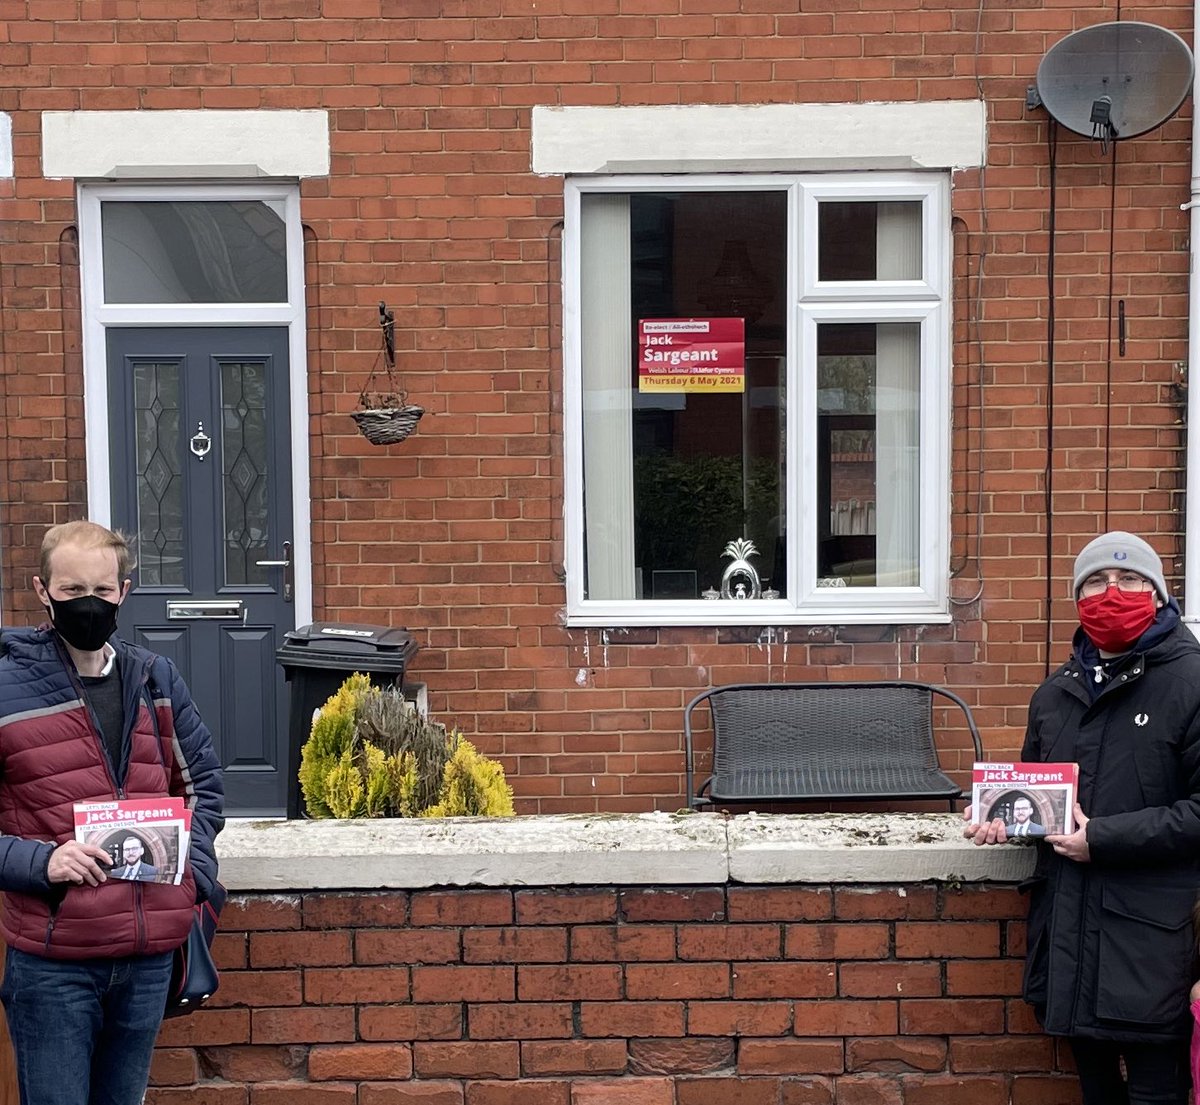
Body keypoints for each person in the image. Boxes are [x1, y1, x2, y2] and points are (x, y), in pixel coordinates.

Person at [966, 530, 1200, 1105]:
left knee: (1157, 1094)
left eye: (1130, 580)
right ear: (1077, 598)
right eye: (1095, 581)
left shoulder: (1192, 683)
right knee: (1095, 1092)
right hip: (1070, 936)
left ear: (1159, 595)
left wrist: (1106, 838)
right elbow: (1036, 799)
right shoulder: (1055, 694)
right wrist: (996, 816)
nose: (1111, 592)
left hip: (1155, 948)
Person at [0, 520, 224, 1105]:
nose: (89, 604)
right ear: (42, 590)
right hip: (56, 964)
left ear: (124, 590)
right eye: (72, 591)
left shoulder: (156, 679)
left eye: (101, 590)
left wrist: (189, 874)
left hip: (148, 958)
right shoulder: (5, 687)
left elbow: (202, 785)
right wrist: (41, 863)